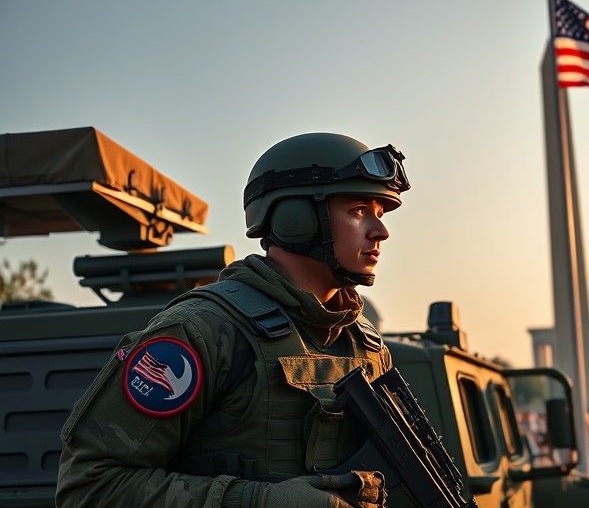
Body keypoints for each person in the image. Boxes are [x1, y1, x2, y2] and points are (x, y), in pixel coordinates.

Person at [56, 133, 411, 507]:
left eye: (381, 213)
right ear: (295, 218)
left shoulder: (365, 344)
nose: (380, 231)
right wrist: (258, 502)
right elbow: (88, 487)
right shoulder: (200, 332)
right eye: (358, 210)